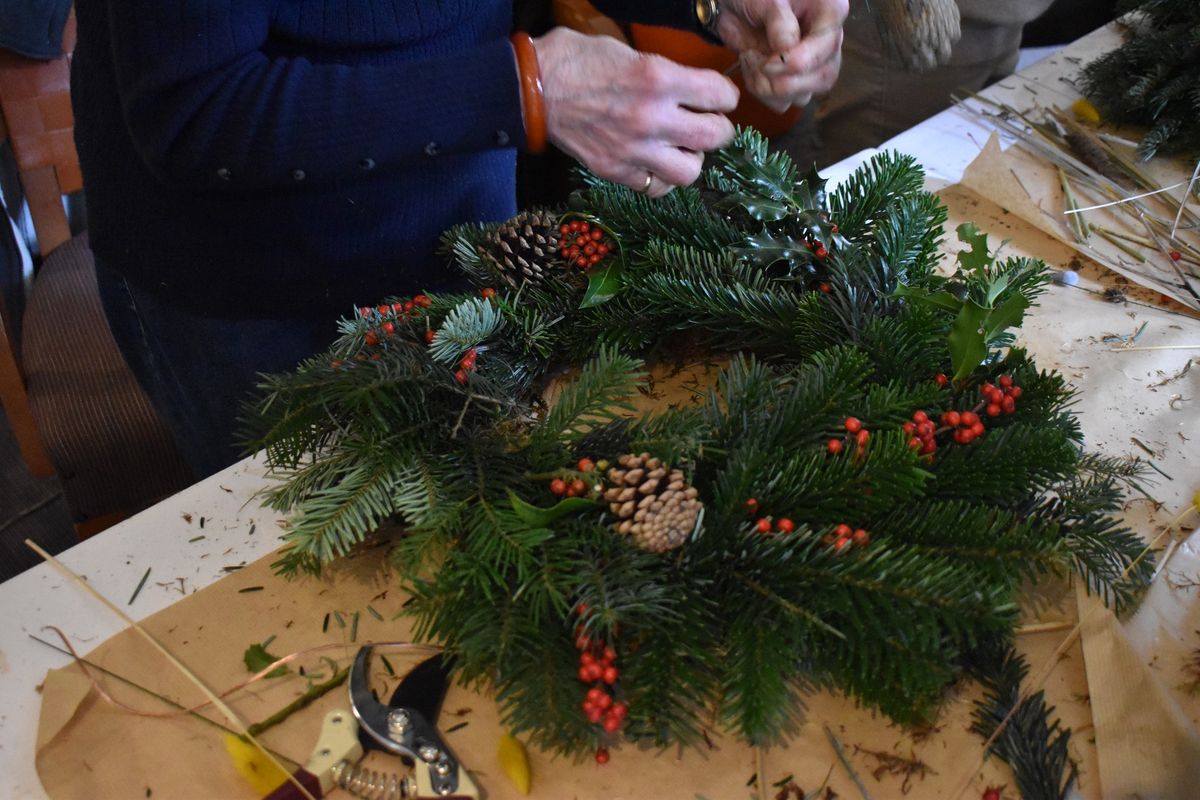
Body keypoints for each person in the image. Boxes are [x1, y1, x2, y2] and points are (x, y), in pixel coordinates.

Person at [70, 0, 847, 481]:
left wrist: (715, 2)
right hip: (257, 294)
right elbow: (197, 111)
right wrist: (525, 89)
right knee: (323, 598)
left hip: (472, 234)